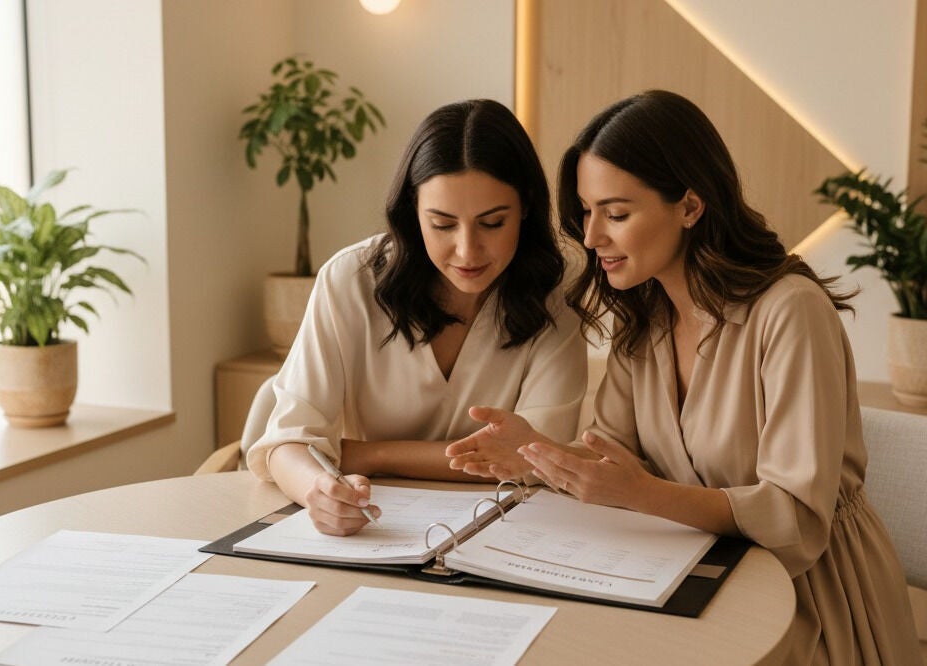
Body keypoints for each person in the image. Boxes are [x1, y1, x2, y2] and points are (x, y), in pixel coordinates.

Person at [445, 90, 921, 664]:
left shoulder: (791, 312)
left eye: (616, 214)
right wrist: (539, 455)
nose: (592, 237)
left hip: (811, 595)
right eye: (587, 213)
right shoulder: (643, 320)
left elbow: (795, 515)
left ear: (690, 207)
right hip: (690, 572)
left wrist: (644, 494)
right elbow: (617, 458)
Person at [246, 99, 587, 537]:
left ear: (524, 208)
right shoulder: (350, 280)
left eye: (493, 223)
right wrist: (321, 489)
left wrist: (371, 455)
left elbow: (534, 459)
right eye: (442, 224)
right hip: (380, 532)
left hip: (505, 533)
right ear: (413, 212)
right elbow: (285, 442)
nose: (467, 251)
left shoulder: (558, 289)